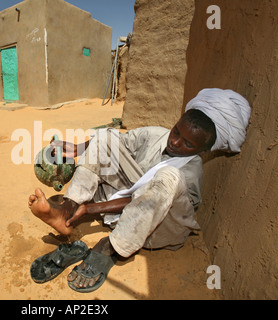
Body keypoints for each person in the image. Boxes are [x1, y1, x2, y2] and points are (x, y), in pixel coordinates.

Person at [28, 88, 251, 292]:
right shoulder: (158, 136)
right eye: (176, 132)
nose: (175, 143)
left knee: (168, 177)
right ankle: (67, 209)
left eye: (188, 144)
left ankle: (111, 246)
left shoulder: (190, 172)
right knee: (106, 136)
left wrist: (92, 209)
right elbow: (119, 141)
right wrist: (78, 148)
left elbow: (148, 199)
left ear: (203, 149)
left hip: (158, 226)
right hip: (129, 205)